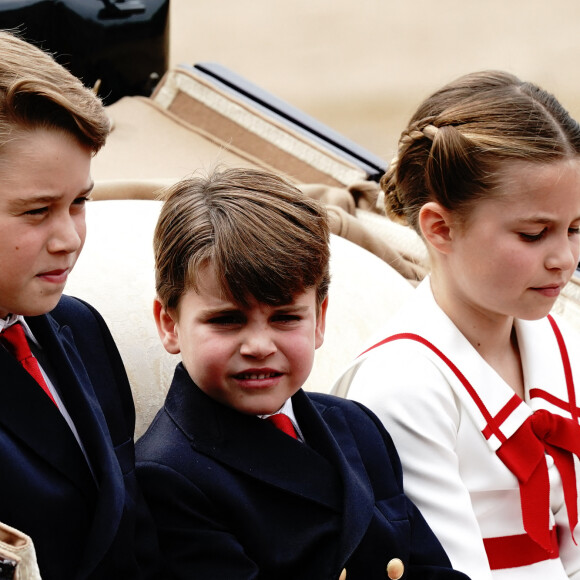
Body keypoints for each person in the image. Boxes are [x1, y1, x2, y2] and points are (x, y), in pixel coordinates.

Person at [135, 167, 471, 580]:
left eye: (285, 318)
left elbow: (430, 568)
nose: (259, 346)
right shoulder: (168, 477)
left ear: (319, 320)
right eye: (226, 320)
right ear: (170, 324)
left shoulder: (356, 426)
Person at [332, 70, 580, 580]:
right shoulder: (401, 386)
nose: (564, 258)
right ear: (440, 228)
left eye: (576, 229)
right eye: (534, 234)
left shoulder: (566, 339)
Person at [0, 30, 160, 579]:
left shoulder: (78, 327)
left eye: (80, 202)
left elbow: (130, 534)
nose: (69, 236)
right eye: (37, 211)